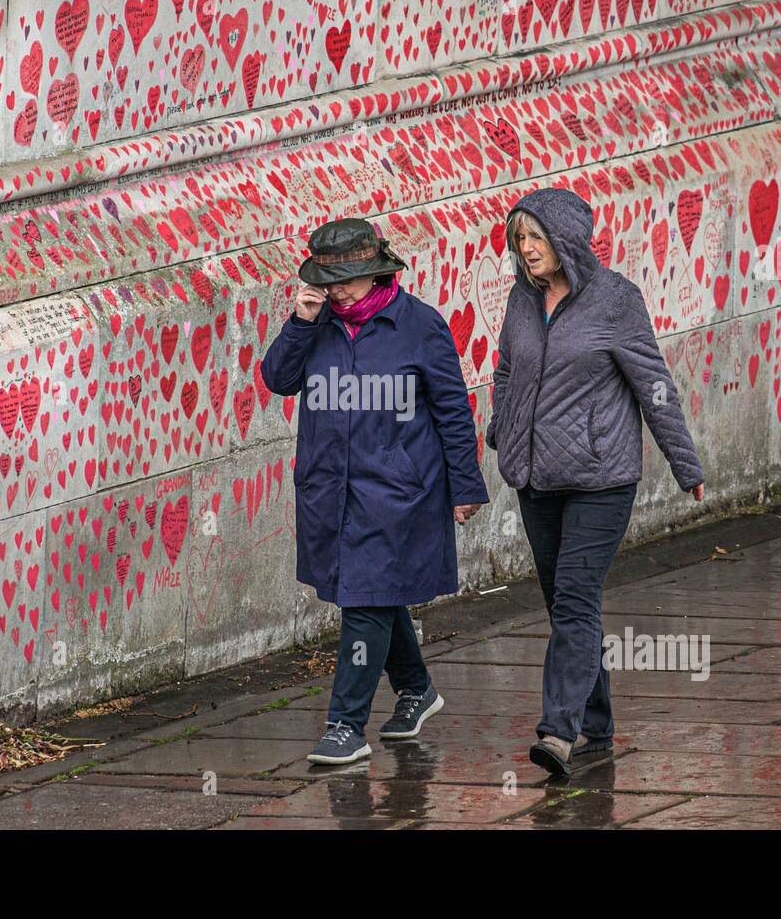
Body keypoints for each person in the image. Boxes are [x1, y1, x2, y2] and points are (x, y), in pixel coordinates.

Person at [485, 187, 706, 778]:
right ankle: (598, 722)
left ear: (567, 240)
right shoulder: (520, 300)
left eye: (536, 238)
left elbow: (654, 385)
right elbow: (507, 371)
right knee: (565, 605)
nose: (526, 250)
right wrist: (501, 431)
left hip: (601, 479)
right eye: (519, 239)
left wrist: (686, 465)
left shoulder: (616, 301)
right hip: (536, 478)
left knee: (576, 598)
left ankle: (558, 731)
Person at [261, 217, 489, 765]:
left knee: (365, 600)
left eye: (350, 278)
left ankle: (345, 725)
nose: (338, 289)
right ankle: (417, 689)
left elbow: (453, 411)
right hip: (332, 488)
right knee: (376, 595)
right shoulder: (317, 324)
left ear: (377, 272)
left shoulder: (420, 326)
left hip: (401, 491)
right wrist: (300, 320)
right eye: (329, 278)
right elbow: (277, 378)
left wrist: (465, 485)